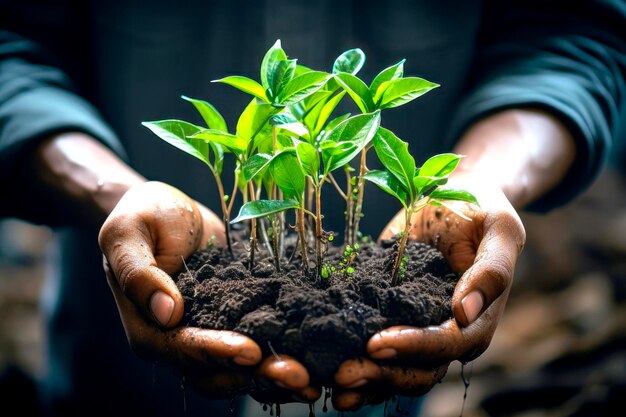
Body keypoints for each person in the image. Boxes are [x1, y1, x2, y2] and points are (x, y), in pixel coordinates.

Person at [1, 0, 624, 416]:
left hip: (391, 374)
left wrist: (480, 181)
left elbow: (573, 29)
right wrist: (111, 194)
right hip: (116, 382)